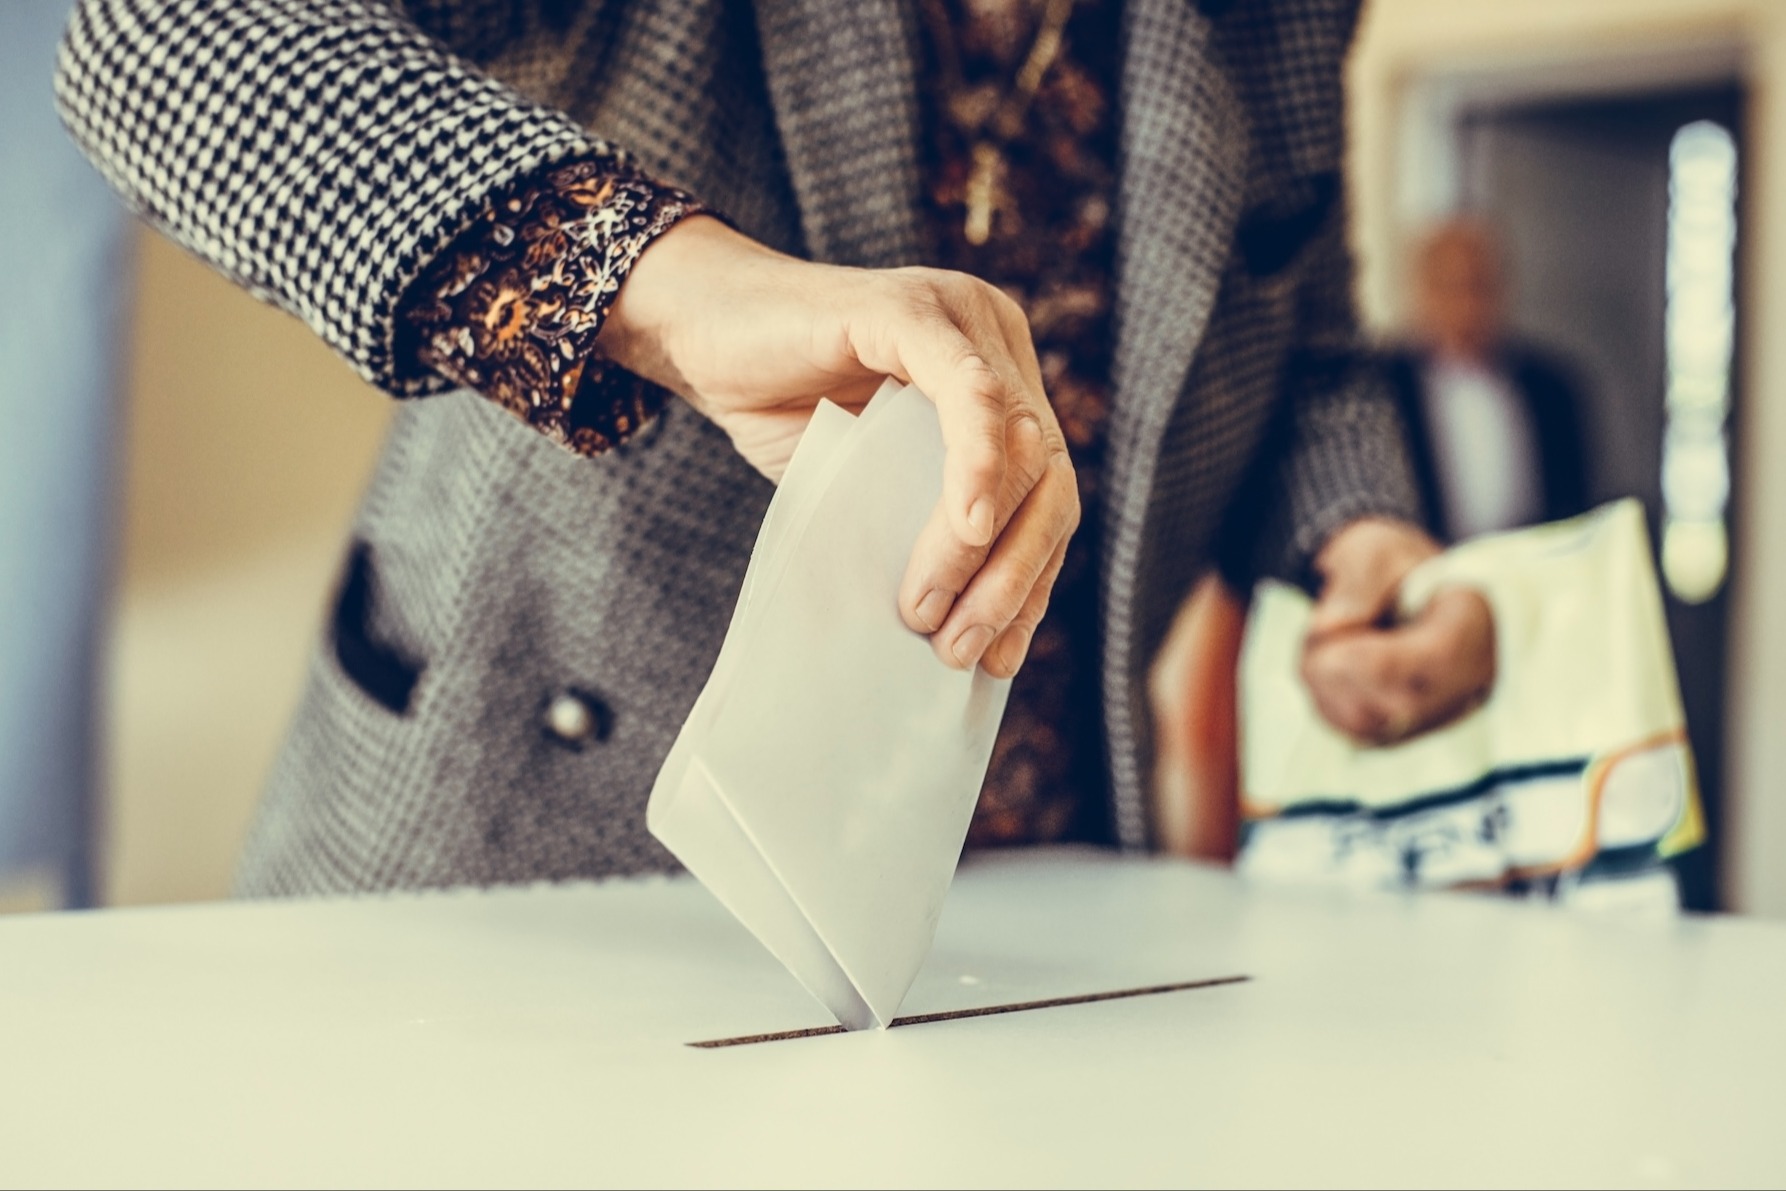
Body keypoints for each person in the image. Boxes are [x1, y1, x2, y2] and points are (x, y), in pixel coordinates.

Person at [56, 0, 1496, 897]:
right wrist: (658, 283)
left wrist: (1356, 530)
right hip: (529, 844)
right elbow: (162, 36)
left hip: (1031, 888)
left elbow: (1297, 327)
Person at [1383, 219, 1593, 543]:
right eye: (1449, 286)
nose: (1466, 305)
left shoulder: (1553, 389)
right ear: (1420, 288)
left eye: (1478, 285)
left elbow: (1576, 508)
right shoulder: (1381, 390)